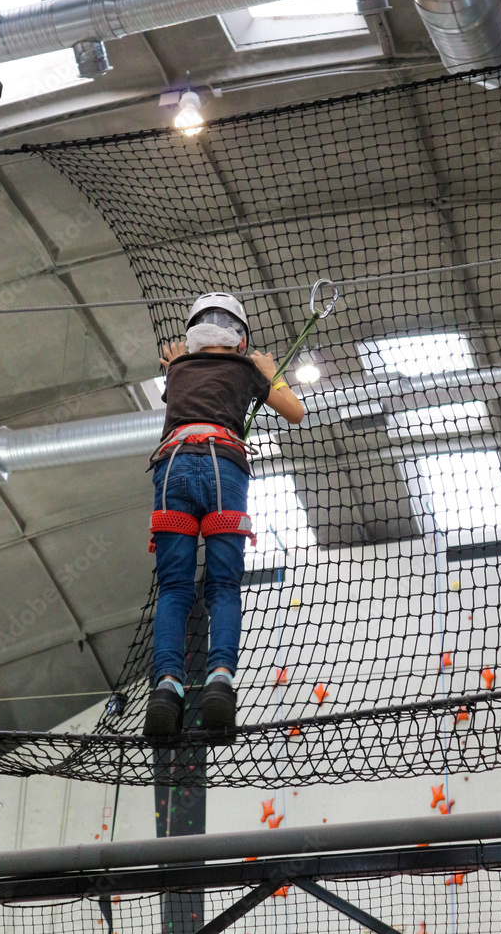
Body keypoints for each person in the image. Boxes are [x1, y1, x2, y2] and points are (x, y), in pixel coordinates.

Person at [144, 292, 304, 739]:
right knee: (223, 587)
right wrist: (271, 374)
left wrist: (175, 365)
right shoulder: (245, 369)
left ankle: (166, 689)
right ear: (241, 339)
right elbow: (295, 413)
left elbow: (183, 386)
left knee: (174, 588)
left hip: (173, 466)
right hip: (223, 467)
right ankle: (219, 682)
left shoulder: (179, 369)